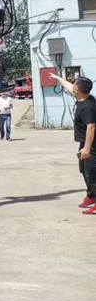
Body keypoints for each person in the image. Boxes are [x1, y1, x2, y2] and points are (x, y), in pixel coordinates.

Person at [50, 74, 96, 213]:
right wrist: (57, 78)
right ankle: (91, 196)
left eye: (75, 84)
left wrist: (87, 148)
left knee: (92, 173)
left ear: (78, 90)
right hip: (84, 143)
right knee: (84, 171)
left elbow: (91, 127)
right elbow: (69, 87)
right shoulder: (83, 97)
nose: (72, 85)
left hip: (92, 146)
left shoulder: (87, 107)